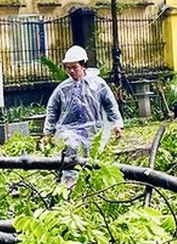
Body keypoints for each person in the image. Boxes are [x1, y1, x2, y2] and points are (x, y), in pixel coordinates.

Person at [42, 45, 124, 188]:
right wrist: (48, 132)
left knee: (91, 160)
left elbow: (110, 104)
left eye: (75, 67)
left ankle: (89, 188)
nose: (71, 71)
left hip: (93, 131)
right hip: (69, 130)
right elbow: (52, 110)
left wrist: (117, 125)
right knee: (72, 148)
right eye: (68, 68)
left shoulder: (98, 85)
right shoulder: (63, 88)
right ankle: (69, 185)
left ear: (84, 65)